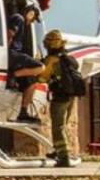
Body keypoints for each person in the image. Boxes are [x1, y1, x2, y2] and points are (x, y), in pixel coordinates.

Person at [31, 29, 81, 168]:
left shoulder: (52, 59)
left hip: (60, 97)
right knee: (62, 126)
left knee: (57, 128)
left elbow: (42, 78)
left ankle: (64, 158)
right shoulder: (68, 58)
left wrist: (37, 66)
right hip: (71, 96)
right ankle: (58, 151)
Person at [6, 5, 43, 123]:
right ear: (30, 14)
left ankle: (23, 112)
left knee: (31, 82)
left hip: (14, 54)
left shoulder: (21, 21)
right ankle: (14, 75)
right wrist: (5, 54)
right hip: (12, 53)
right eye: (33, 18)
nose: (32, 22)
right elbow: (9, 34)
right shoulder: (19, 18)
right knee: (41, 67)